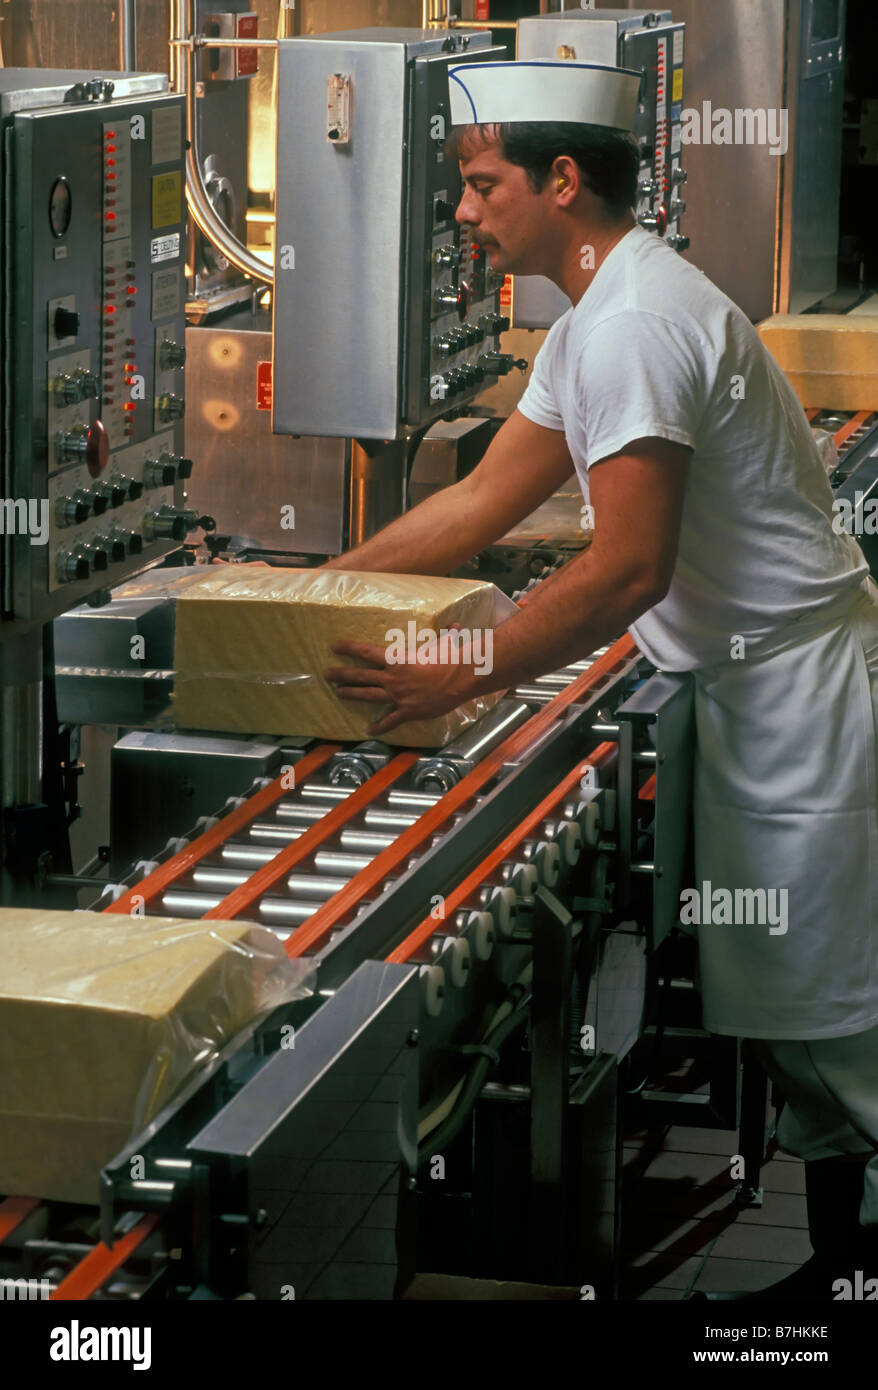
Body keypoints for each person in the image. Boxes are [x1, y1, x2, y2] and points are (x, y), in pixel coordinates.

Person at [322, 60, 878, 1301]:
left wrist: (459, 667)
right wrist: (295, 601)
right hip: (754, 699)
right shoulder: (595, 315)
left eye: (481, 184)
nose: (464, 212)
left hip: (803, 709)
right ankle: (844, 1281)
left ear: (560, 181)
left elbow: (627, 567)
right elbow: (479, 500)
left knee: (841, 1028)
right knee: (799, 1030)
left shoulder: (630, 325)